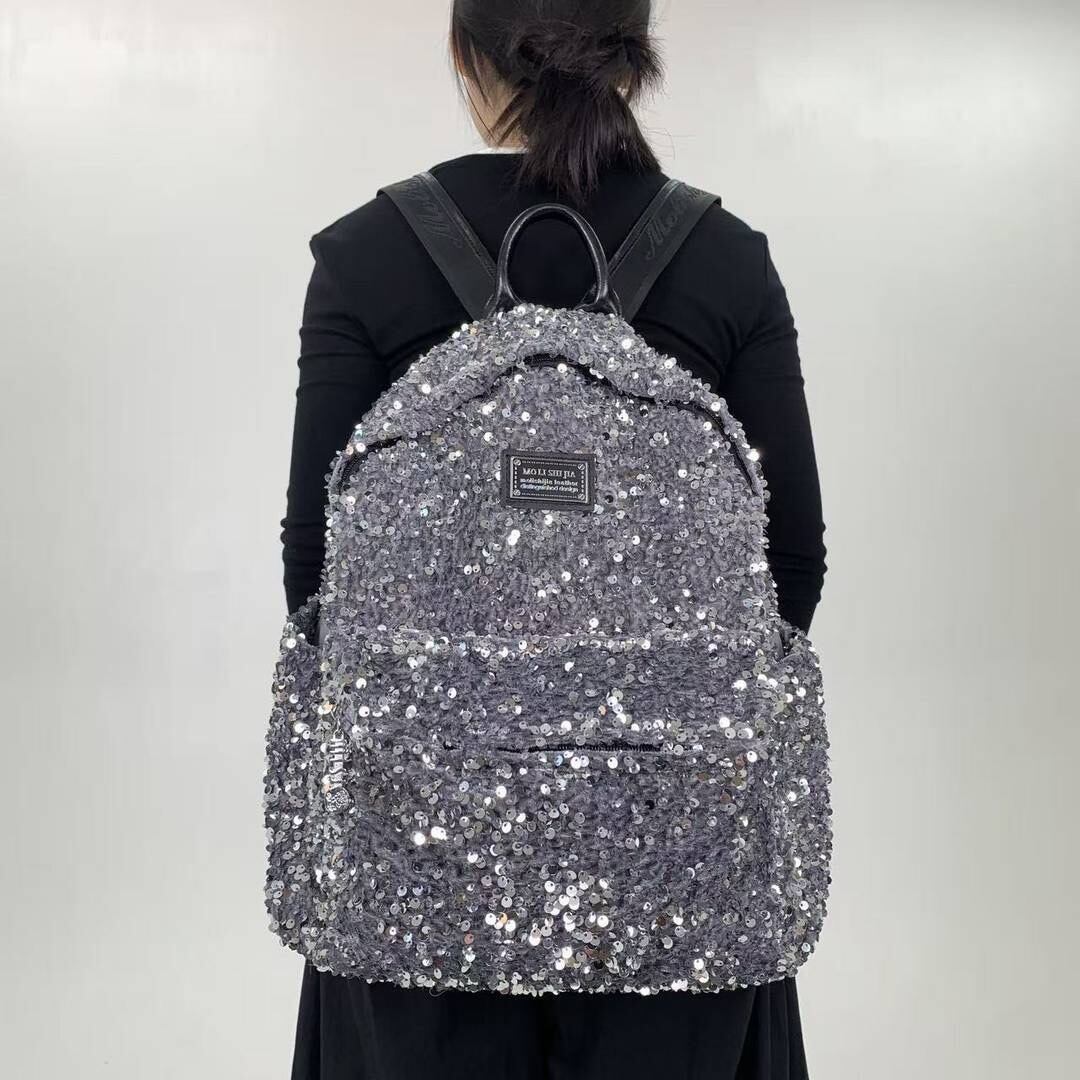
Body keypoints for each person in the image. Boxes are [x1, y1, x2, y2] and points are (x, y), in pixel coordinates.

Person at [279, 2, 827, 1076]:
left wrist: (474, 741)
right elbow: (791, 571)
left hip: (419, 888)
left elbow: (314, 578)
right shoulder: (726, 260)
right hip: (679, 888)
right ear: (633, 55)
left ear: (465, 53)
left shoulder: (363, 255)